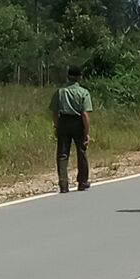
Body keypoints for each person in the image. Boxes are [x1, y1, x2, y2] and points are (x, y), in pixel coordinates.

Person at [49, 65, 93, 193]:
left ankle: (63, 183)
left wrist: (57, 126)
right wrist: (87, 132)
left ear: (68, 76)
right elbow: (85, 114)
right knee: (81, 151)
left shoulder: (60, 92)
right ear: (80, 77)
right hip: (78, 122)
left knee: (62, 154)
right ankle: (82, 181)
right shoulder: (83, 92)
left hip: (63, 121)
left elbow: (54, 112)